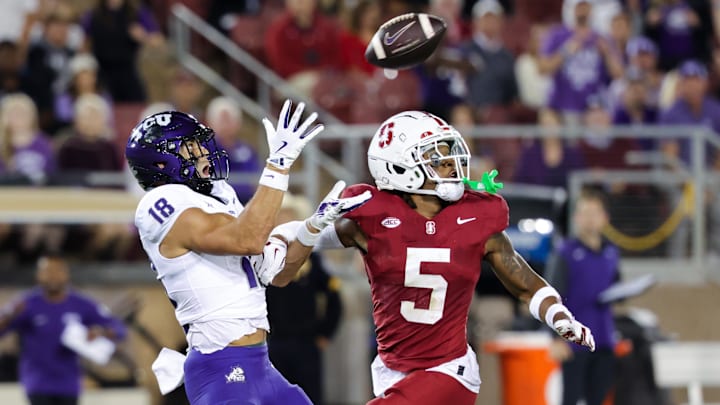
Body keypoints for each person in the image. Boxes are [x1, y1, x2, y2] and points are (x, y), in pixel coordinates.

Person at [268, 111, 596, 404]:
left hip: (448, 370)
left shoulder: (476, 216)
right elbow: (284, 263)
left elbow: (523, 283)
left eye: (450, 154)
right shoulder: (371, 217)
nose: (452, 165)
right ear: (398, 166)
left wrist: (559, 316)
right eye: (437, 158)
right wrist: (310, 228)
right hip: (392, 371)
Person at [125, 99, 370, 405]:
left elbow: (277, 274)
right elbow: (249, 239)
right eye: (189, 147)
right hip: (223, 366)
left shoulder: (217, 195)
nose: (203, 153)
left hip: (259, 364)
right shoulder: (160, 202)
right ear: (161, 163)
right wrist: (277, 165)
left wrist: (311, 229)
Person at [0, 254, 128, 405]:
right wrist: (9, 316)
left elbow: (119, 329)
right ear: (39, 275)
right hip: (37, 383)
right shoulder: (27, 304)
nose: (53, 276)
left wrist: (102, 332)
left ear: (66, 274)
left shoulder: (81, 304)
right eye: (47, 271)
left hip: (68, 384)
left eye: (58, 271)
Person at [545, 188, 620, 405]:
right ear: (576, 217)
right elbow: (551, 296)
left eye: (595, 213)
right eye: (585, 213)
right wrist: (554, 338)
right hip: (574, 341)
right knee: (571, 398)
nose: (589, 219)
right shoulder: (565, 252)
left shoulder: (611, 252)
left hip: (604, 340)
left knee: (598, 398)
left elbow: (616, 287)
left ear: (605, 218)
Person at [266, 193, 343, 405]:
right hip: (275, 342)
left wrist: (325, 332)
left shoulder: (313, 259)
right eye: (279, 217)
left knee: (309, 396)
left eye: (288, 216)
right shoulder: (263, 259)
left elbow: (333, 297)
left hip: (306, 342)